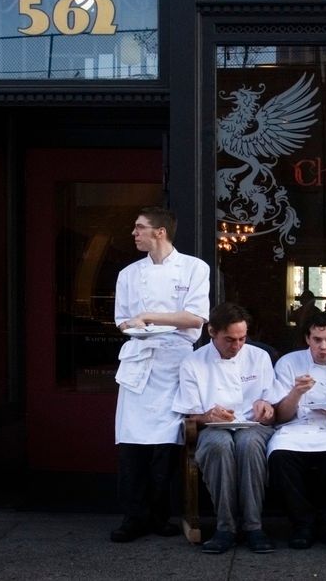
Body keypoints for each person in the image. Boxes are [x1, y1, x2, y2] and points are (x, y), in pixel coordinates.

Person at [110, 207, 210, 543]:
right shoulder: (128, 274)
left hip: (173, 362)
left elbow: (196, 318)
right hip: (138, 361)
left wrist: (149, 317)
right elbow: (122, 320)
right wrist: (134, 323)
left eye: (140, 228)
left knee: (167, 446)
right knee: (132, 445)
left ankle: (160, 515)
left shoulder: (195, 268)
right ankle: (132, 517)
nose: (134, 233)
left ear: (160, 232)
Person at [172, 302, 285, 554]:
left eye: (242, 339)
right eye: (229, 340)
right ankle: (226, 527)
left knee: (248, 443)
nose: (236, 346)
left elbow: (271, 403)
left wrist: (266, 407)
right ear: (212, 332)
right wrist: (208, 414)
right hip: (214, 427)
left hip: (252, 426)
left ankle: (254, 526)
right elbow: (192, 413)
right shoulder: (193, 363)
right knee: (220, 444)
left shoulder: (259, 357)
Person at [268, 312, 326, 551]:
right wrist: (296, 393)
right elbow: (281, 416)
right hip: (294, 429)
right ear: (307, 338)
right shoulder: (289, 363)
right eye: (317, 339)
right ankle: (303, 524)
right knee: (280, 455)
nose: (323, 346)